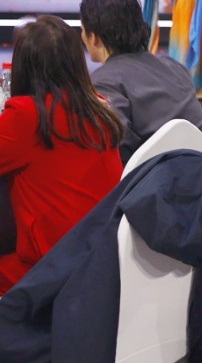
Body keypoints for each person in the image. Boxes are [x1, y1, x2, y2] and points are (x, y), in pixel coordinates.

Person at [0, 15, 123, 294]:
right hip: (100, 265)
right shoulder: (100, 110)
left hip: (47, 272)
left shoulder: (27, 116)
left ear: (23, 65)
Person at [79, 0, 202, 157]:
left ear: (94, 37)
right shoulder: (173, 66)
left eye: (82, 29)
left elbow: (118, 151)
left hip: (160, 172)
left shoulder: (103, 82)